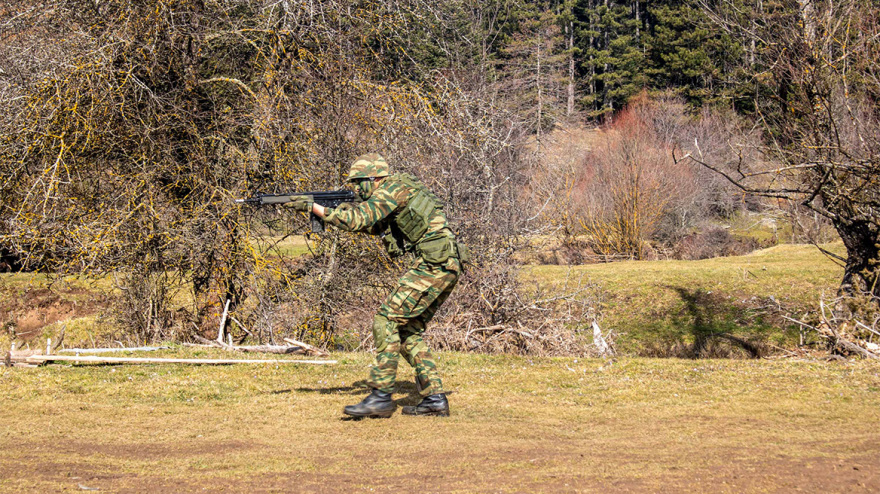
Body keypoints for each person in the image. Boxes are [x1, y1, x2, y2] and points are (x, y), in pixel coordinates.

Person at [287, 153, 468, 418]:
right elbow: (372, 225)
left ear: (373, 179)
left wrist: (316, 209)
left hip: (435, 262)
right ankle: (434, 399)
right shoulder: (396, 189)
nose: (356, 190)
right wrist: (332, 212)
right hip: (444, 262)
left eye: (358, 183)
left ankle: (381, 397)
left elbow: (359, 219)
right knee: (406, 331)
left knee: (386, 320)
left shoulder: (391, 188)